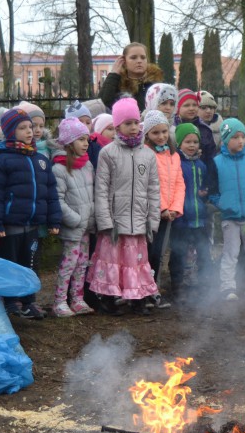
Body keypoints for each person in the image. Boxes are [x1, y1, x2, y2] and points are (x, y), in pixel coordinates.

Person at [0, 108, 62, 319]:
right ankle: (10, 302)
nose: (29, 131)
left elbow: (50, 192)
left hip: (33, 225)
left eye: (30, 127)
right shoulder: (2, 159)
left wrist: (54, 219)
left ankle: (29, 301)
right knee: (10, 264)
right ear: (10, 131)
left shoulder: (41, 160)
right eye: (22, 128)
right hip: (11, 225)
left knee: (30, 263)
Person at [87, 97, 161, 314]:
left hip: (139, 220)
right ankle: (110, 299)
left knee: (136, 262)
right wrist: (105, 221)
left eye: (136, 123)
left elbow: (153, 190)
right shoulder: (108, 153)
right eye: (127, 123)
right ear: (117, 126)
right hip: (115, 222)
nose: (133, 128)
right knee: (113, 262)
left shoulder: (148, 155)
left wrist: (152, 220)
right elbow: (101, 189)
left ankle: (137, 300)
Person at [208, 118, 245, 301]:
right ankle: (227, 286)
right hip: (230, 218)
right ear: (226, 139)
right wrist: (221, 203)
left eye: (242, 137)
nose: (240, 141)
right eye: (235, 137)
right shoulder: (217, 163)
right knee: (230, 253)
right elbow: (212, 188)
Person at [51, 118, 96, 317]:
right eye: (81, 140)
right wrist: (75, 219)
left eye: (87, 139)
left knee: (82, 264)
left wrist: (91, 217)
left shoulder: (87, 166)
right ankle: (59, 301)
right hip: (74, 226)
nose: (86, 144)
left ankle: (77, 299)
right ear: (69, 143)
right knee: (69, 264)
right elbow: (58, 200)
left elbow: (92, 193)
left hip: (86, 226)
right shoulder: (59, 169)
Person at [145, 109, 184, 307]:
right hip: (152, 213)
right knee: (149, 253)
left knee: (160, 254)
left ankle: (154, 289)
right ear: (147, 135)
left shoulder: (174, 155)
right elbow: (150, 185)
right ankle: (145, 290)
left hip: (169, 213)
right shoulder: (146, 154)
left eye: (164, 132)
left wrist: (175, 208)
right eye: (155, 133)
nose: (161, 136)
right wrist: (161, 208)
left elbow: (179, 183)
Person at [173, 123, 212, 300]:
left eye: (195, 141)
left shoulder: (201, 165)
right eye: (187, 141)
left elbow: (203, 186)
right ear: (179, 143)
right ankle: (177, 284)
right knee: (180, 251)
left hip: (199, 216)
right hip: (182, 217)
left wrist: (204, 193)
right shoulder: (177, 164)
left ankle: (203, 281)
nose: (192, 145)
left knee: (202, 250)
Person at [99, 42, 164, 110]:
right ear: (124, 61)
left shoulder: (156, 85)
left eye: (143, 57)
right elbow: (102, 105)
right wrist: (113, 74)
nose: (139, 61)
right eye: (133, 58)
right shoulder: (117, 84)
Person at [174, 89, 217, 169]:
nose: (191, 108)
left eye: (194, 105)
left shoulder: (205, 130)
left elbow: (211, 158)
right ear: (177, 107)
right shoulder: (171, 129)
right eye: (186, 105)